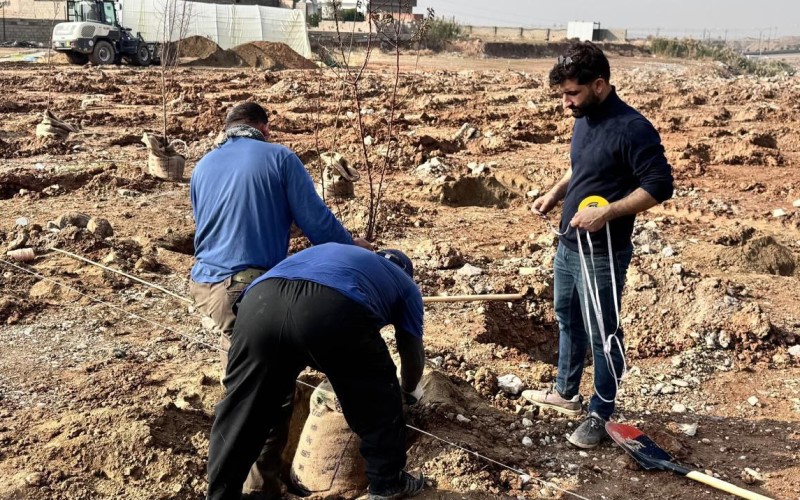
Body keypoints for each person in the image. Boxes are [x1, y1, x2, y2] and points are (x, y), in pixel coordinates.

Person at [526, 41, 674, 449]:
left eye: (571, 94)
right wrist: (555, 193)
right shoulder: (584, 117)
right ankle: (566, 392)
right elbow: (581, 166)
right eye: (562, 95)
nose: (565, 104)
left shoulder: (633, 128)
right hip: (569, 244)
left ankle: (601, 412)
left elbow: (660, 186)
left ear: (600, 85)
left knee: (603, 332)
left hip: (604, 252)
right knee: (567, 317)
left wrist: (606, 212)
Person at [206, 243, 426, 500]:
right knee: (378, 398)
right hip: (331, 309)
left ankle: (220, 495)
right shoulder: (405, 284)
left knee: (242, 409)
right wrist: (408, 390)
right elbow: (411, 352)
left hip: (258, 303)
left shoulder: (342, 254)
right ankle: (388, 484)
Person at [189, 101, 371, 368]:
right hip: (242, 289)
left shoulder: (202, 166)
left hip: (203, 285)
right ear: (265, 129)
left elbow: (215, 221)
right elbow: (317, 223)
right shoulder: (279, 157)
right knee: (257, 375)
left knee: (239, 359)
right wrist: (350, 247)